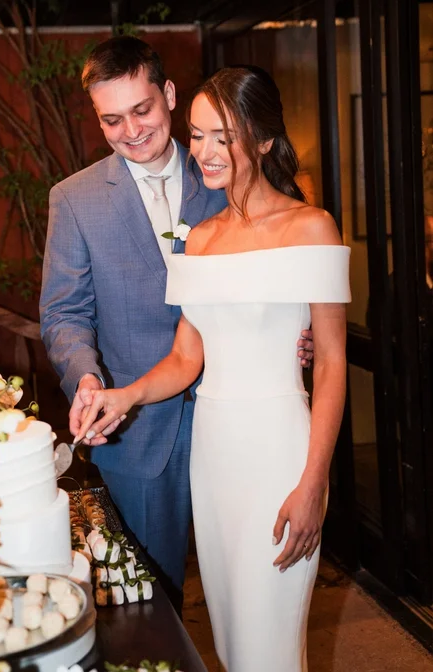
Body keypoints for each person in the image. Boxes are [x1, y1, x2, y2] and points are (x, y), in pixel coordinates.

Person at [77, 65, 350, 671]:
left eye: (221, 135)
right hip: (214, 457)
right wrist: (124, 397)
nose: (202, 150)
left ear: (263, 139)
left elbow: (331, 362)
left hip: (281, 451)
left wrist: (313, 484)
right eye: (196, 134)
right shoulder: (198, 239)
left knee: (269, 646)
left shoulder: (312, 227)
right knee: (230, 641)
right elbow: (184, 358)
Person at [39, 38, 314, 611]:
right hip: (138, 431)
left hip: (236, 424)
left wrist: (294, 332)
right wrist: (87, 378)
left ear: (168, 94)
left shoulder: (227, 168)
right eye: (112, 119)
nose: (132, 130)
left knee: (248, 591)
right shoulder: (74, 199)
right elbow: (64, 314)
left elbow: (281, 261)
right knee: (151, 605)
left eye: (142, 110)